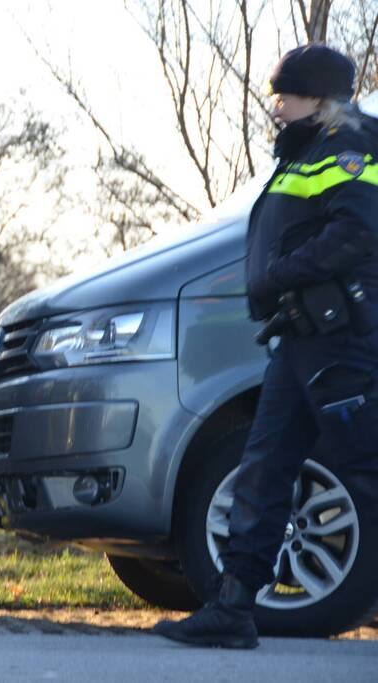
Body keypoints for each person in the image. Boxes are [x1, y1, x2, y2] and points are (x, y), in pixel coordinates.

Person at [154, 44, 378, 648]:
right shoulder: (305, 150)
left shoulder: (354, 150)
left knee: (367, 465)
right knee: (264, 471)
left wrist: (281, 273)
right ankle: (232, 608)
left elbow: (359, 232)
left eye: (286, 96)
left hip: (341, 341)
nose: (276, 108)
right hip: (300, 339)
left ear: (319, 99)